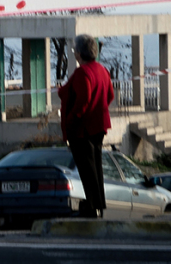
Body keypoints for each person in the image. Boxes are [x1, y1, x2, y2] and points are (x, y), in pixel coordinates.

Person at [58, 34, 114, 218]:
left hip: (83, 128)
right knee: (95, 167)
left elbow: (83, 100)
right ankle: (98, 205)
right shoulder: (102, 70)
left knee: (87, 169)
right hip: (99, 125)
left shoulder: (83, 72)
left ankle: (92, 206)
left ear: (79, 53)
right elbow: (110, 95)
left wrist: (72, 119)